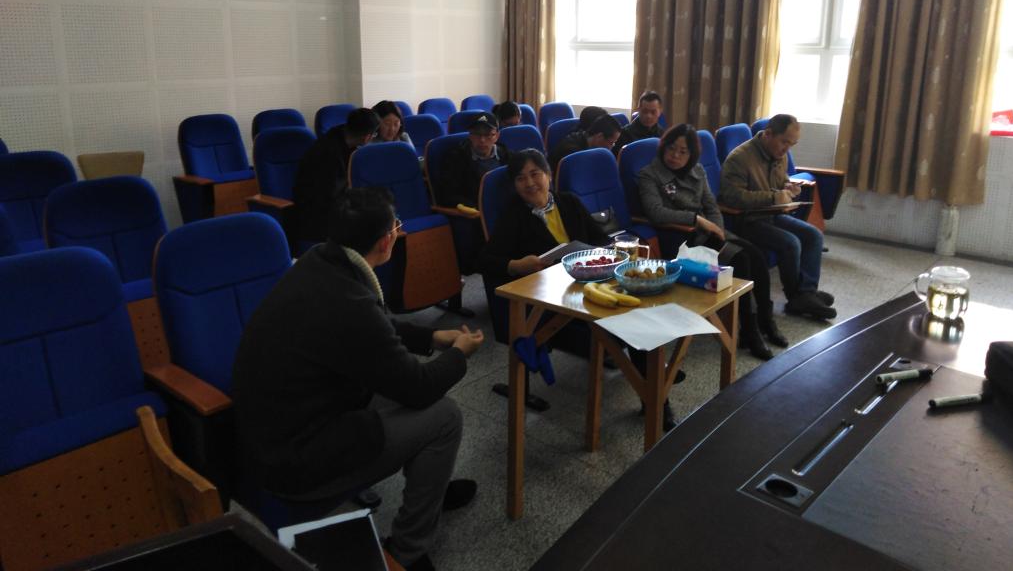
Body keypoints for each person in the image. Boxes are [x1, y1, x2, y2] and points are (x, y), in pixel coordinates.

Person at [233, 187, 485, 571]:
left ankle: (429, 492)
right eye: (397, 226)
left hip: (283, 427)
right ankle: (407, 550)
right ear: (386, 241)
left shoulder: (321, 261)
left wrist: (431, 337)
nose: (399, 232)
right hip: (297, 459)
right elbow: (417, 386)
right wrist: (458, 354)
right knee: (444, 416)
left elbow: (375, 327)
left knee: (414, 401)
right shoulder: (347, 300)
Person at [479, 149, 680, 427]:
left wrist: (610, 252)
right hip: (551, 298)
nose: (530, 183)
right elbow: (486, 260)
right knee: (631, 319)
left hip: (589, 283)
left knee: (640, 306)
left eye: (535, 174)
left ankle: (655, 393)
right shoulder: (513, 215)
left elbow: (600, 240)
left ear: (549, 175)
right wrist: (516, 265)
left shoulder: (569, 202)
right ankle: (656, 389)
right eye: (521, 178)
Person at [637, 124, 786, 360]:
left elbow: (711, 205)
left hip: (707, 232)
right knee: (741, 259)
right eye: (672, 149)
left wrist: (718, 230)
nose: (675, 156)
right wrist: (698, 221)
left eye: (683, 152)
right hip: (680, 237)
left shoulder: (697, 170)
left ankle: (766, 321)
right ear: (663, 147)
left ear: (691, 155)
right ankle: (749, 330)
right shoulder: (650, 174)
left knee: (756, 255)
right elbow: (656, 212)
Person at [719, 113, 836, 319]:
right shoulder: (740, 158)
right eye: (784, 142)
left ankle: (807, 292)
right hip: (746, 220)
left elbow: (781, 180)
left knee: (813, 235)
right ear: (768, 134)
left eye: (792, 144)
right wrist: (773, 197)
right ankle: (796, 298)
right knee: (791, 243)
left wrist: (789, 186)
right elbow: (732, 197)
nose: (786, 149)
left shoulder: (779, 154)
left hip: (771, 215)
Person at [291, 107, 380, 243]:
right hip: (317, 215)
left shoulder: (341, 137)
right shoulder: (328, 153)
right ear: (367, 137)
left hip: (332, 205)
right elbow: (332, 195)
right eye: (374, 135)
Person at [437, 112, 509, 210]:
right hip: (477, 211)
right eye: (477, 134)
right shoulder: (456, 159)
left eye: (488, 134)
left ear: (497, 136)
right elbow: (447, 195)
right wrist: (475, 208)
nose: (482, 140)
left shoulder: (506, 155)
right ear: (470, 135)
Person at [548, 113, 622, 172]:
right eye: (611, 142)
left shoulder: (589, 142)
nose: (613, 146)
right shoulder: (573, 152)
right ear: (599, 137)